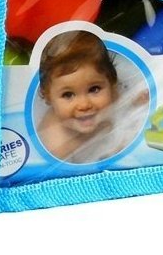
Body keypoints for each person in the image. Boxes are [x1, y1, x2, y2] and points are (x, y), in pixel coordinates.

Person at [36, 31, 120, 163]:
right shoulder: (56, 145)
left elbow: (129, 105)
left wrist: (139, 100)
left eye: (94, 89)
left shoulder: (112, 96)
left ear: (111, 83)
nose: (84, 105)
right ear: (47, 97)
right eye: (68, 94)